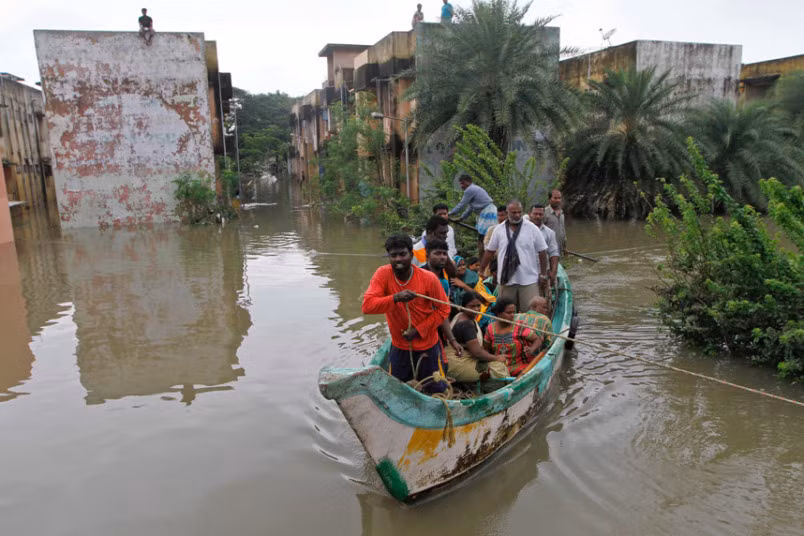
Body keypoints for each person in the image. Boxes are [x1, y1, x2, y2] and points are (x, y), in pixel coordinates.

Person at [362, 234, 451, 393]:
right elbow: (367, 306)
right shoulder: (383, 274)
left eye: (402, 254)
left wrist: (419, 330)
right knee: (396, 392)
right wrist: (395, 298)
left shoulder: (428, 278)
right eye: (393, 255)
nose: (398, 259)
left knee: (435, 392)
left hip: (427, 346)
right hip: (399, 346)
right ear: (388, 257)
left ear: (411, 254)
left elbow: (444, 309)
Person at [479, 199, 549, 313]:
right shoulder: (499, 230)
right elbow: (489, 251)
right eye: (513, 213)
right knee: (506, 312)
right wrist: (481, 270)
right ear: (507, 213)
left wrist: (543, 274)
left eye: (519, 212)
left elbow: (542, 251)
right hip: (507, 279)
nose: (517, 215)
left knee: (530, 313)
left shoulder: (532, 228)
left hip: (528, 279)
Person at [445, 292, 509, 382]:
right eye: (472, 306)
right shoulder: (466, 324)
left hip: (452, 362)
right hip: (458, 365)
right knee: (499, 369)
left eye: (478, 306)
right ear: (464, 306)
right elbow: (477, 353)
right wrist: (497, 358)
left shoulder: (460, 316)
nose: (476, 309)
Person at [483, 297, 543, 376]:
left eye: (513, 312)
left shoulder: (519, 326)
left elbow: (538, 340)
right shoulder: (490, 329)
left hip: (520, 367)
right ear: (499, 313)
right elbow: (486, 350)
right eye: (508, 313)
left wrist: (531, 350)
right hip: (499, 368)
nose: (512, 315)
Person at [448, 174, 496, 257]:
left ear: (469, 182)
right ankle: (484, 260)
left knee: (484, 238)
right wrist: (461, 218)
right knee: (484, 238)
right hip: (486, 212)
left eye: (463, 183)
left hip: (488, 213)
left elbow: (462, 204)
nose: (461, 186)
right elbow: (470, 208)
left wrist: (449, 213)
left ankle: (484, 262)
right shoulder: (473, 189)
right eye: (460, 184)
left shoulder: (470, 190)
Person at [514, 296, 553, 366]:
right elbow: (549, 344)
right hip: (533, 355)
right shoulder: (545, 319)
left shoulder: (516, 316)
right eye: (544, 307)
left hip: (514, 353)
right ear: (534, 307)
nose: (546, 310)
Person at [529, 204, 560, 287]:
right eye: (535, 214)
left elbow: (553, 253)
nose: (537, 216)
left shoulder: (549, 233)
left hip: (541, 273)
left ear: (544, 216)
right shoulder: (521, 231)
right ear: (529, 214)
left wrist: (553, 272)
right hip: (524, 273)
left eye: (540, 214)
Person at [544, 189, 566, 254]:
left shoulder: (561, 213)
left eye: (559, 198)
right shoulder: (544, 212)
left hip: (560, 248)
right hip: (549, 249)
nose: (558, 200)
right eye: (555, 198)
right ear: (549, 199)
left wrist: (565, 247)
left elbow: (563, 230)